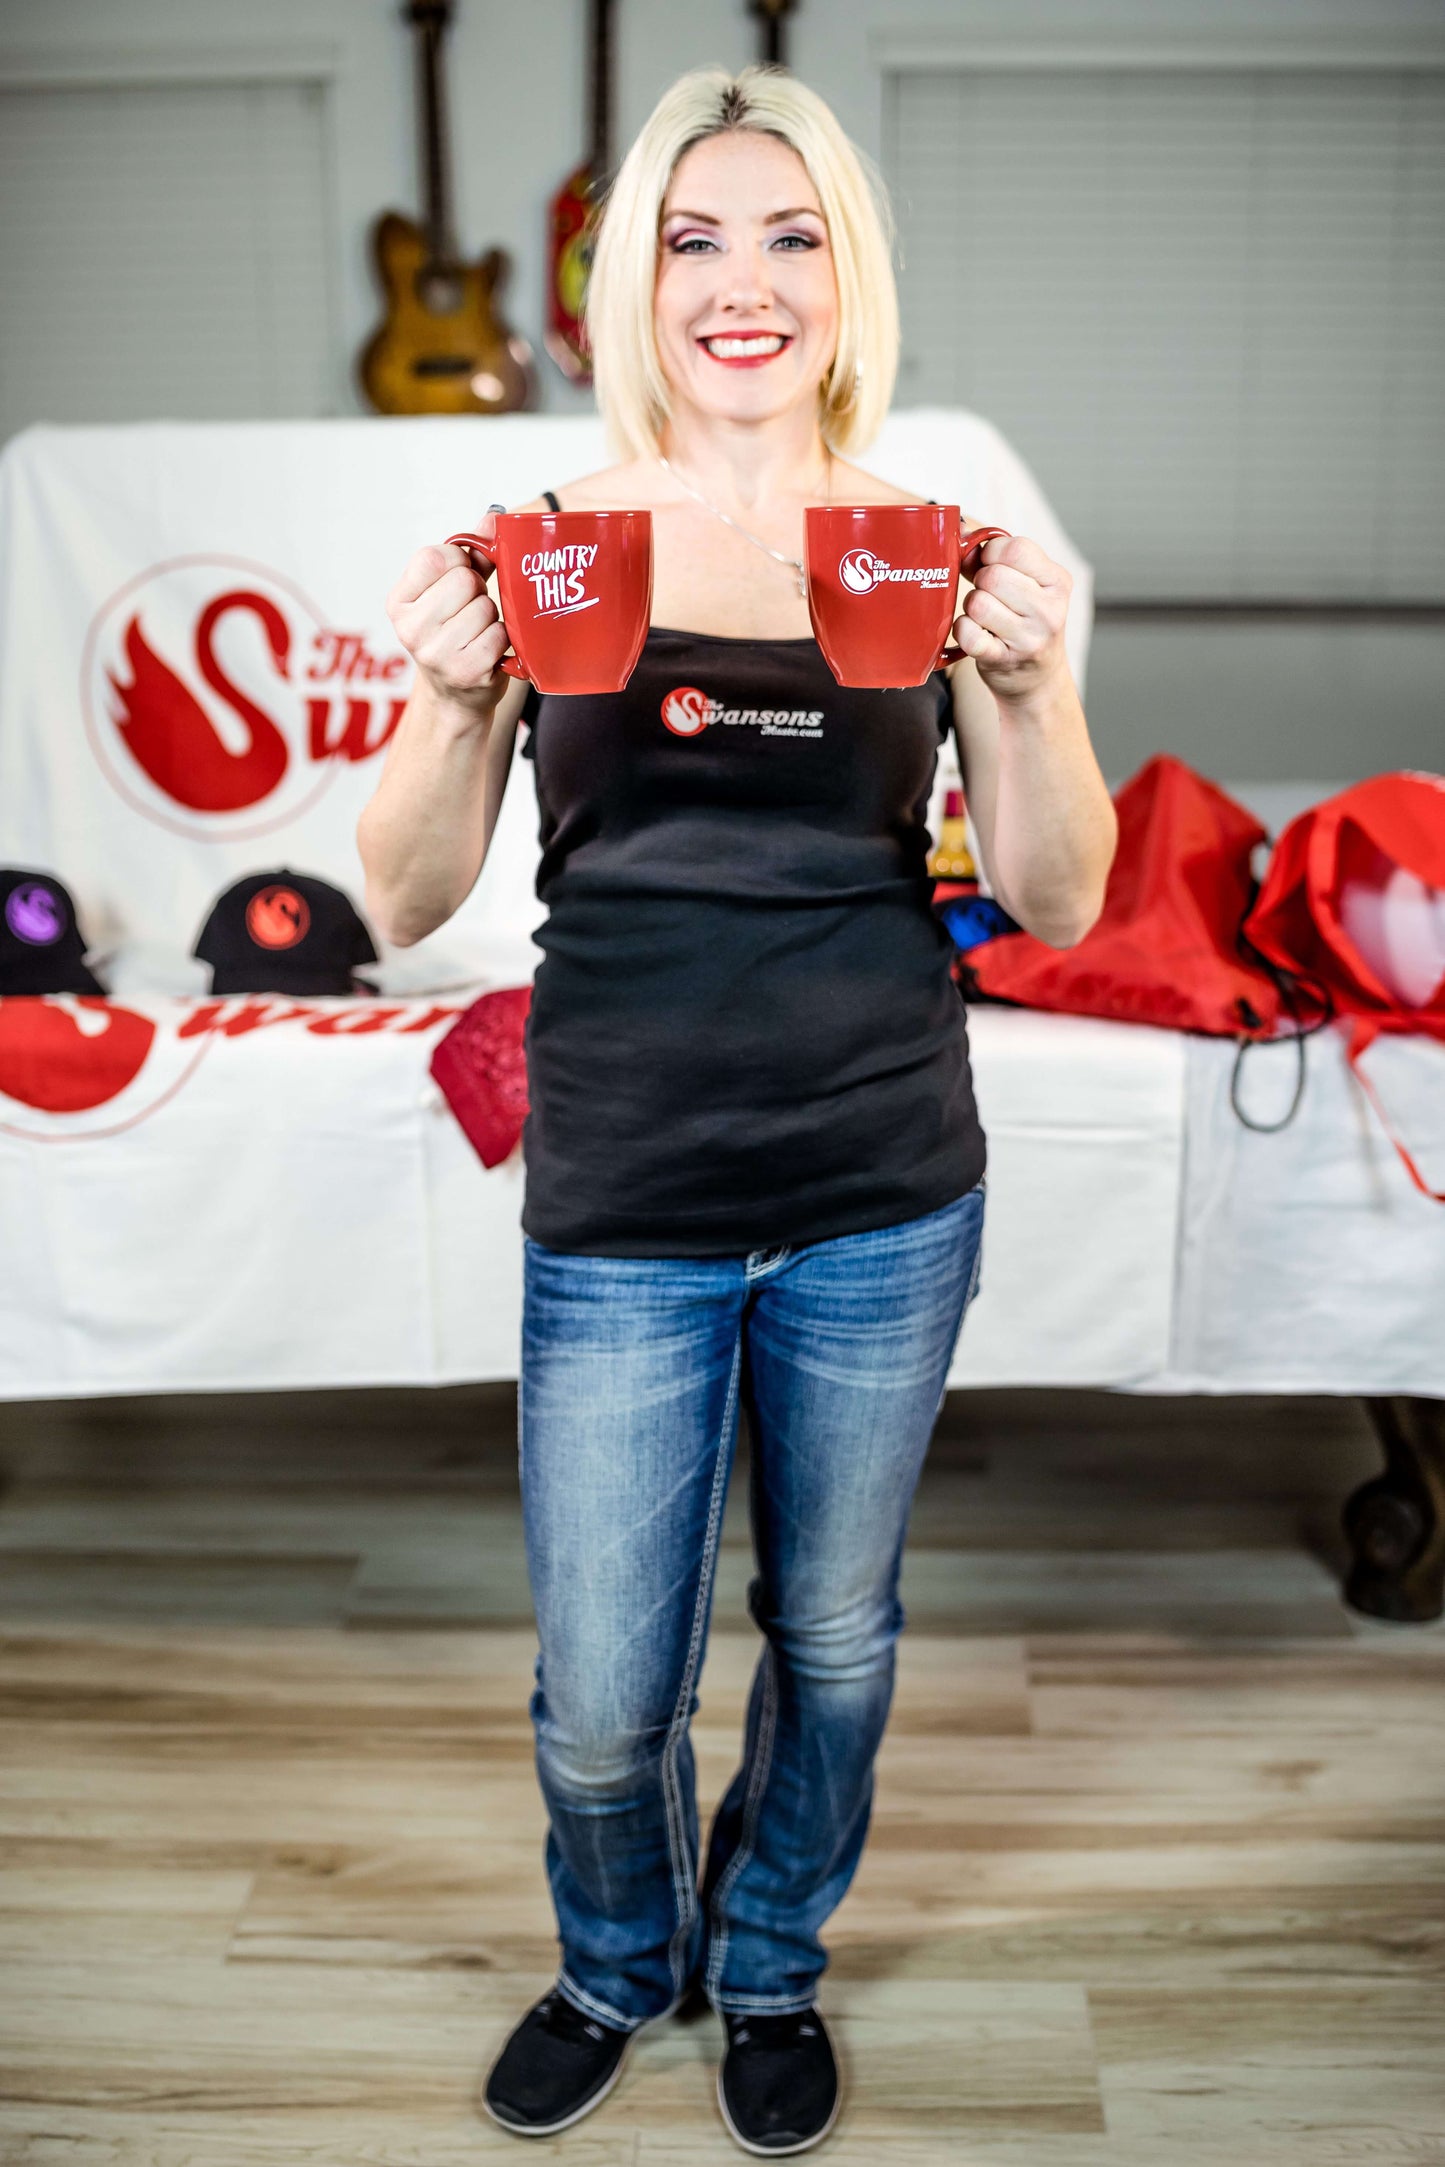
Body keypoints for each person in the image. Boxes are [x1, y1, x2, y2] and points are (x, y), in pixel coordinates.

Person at [358, 62, 1116, 2157]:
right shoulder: (553, 545)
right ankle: (619, 1963)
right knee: (607, 1691)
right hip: (623, 1198)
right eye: (695, 236)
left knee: (838, 1633)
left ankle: (767, 1956)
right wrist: (444, 696)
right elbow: (402, 895)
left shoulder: (924, 544)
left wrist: (1037, 695)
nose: (744, 281)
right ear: (633, 282)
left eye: (792, 235)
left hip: (881, 1183)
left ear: (847, 277)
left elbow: (1059, 895)